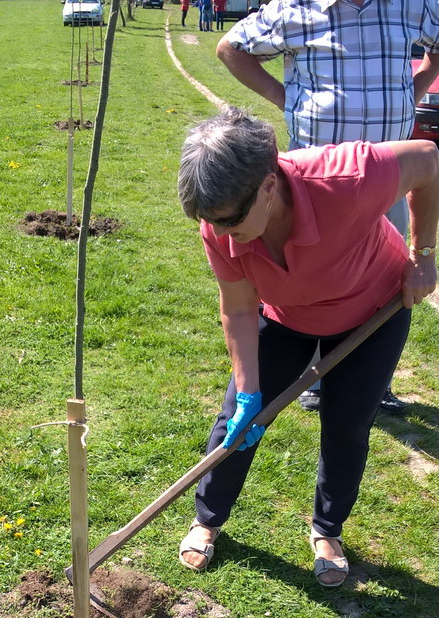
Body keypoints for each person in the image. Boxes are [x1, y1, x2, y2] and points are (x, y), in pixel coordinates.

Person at [177, 108, 438, 586]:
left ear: (268, 186)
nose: (221, 232)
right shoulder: (219, 223)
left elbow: (427, 158)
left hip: (370, 314)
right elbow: (239, 309)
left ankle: (327, 530)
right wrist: (249, 391)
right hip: (284, 317)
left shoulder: (350, 177)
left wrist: (422, 254)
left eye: (230, 220)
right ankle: (207, 519)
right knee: (237, 418)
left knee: (347, 425)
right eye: (211, 221)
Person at [216, 0, 439, 413]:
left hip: (389, 177)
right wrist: (285, 98)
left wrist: (418, 85)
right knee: (313, 282)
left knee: (384, 284)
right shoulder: (295, 7)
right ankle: (316, 380)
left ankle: (374, 383)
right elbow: (231, 48)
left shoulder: (413, 3)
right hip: (317, 187)